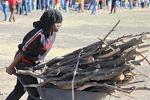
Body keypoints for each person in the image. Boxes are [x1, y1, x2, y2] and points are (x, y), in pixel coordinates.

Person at [5, 9, 63, 100]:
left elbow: (41, 52)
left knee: (19, 90)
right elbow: (22, 51)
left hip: (32, 64)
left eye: (60, 23)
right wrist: (11, 67)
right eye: (57, 23)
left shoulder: (53, 34)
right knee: (35, 94)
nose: (59, 25)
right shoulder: (37, 34)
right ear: (49, 22)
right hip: (23, 63)